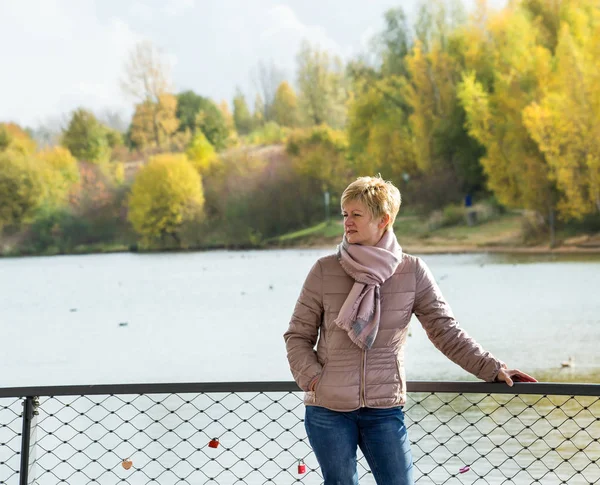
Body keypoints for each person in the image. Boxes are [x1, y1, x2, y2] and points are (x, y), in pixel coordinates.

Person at [283, 175, 536, 485]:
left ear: (383, 219)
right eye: (345, 214)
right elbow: (298, 335)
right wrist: (313, 380)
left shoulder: (413, 271)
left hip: (384, 410)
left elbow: (445, 331)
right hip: (328, 408)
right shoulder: (324, 269)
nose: (347, 222)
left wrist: (492, 369)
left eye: (356, 214)